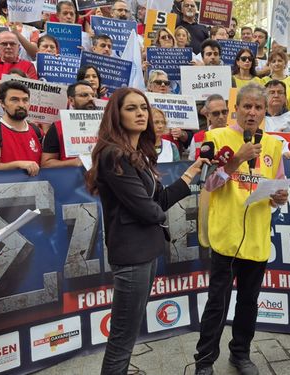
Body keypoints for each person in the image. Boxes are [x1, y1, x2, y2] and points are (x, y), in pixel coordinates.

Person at [85, 88, 207, 375]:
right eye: (131, 108)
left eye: (143, 107)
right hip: (131, 256)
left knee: (127, 333)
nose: (141, 113)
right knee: (122, 339)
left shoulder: (137, 153)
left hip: (147, 251)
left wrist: (192, 172)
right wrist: (155, 211)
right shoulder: (114, 155)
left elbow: (160, 200)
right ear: (117, 114)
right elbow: (148, 209)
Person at [194, 83, 289, 375]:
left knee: (248, 303)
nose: (252, 112)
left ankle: (241, 354)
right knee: (217, 304)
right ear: (236, 109)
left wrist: (279, 197)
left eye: (258, 107)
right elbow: (208, 184)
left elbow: (277, 187)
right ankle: (205, 361)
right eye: (246, 106)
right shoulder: (216, 137)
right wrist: (236, 159)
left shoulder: (273, 145)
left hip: (258, 240)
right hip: (225, 237)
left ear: (264, 111)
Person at [0, 81, 42, 176]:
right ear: (2, 103)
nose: (21, 104)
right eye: (14, 100)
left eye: (25, 100)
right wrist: (18, 165)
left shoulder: (37, 131)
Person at [42, 81, 97, 168]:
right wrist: (73, 163)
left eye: (93, 95)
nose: (91, 99)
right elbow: (46, 164)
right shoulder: (57, 127)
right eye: (84, 95)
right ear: (71, 100)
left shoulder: (105, 127)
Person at [188, 94, 229, 160]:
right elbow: (191, 164)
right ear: (207, 115)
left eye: (224, 112)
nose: (221, 116)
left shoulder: (235, 133)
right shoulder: (197, 138)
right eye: (216, 113)